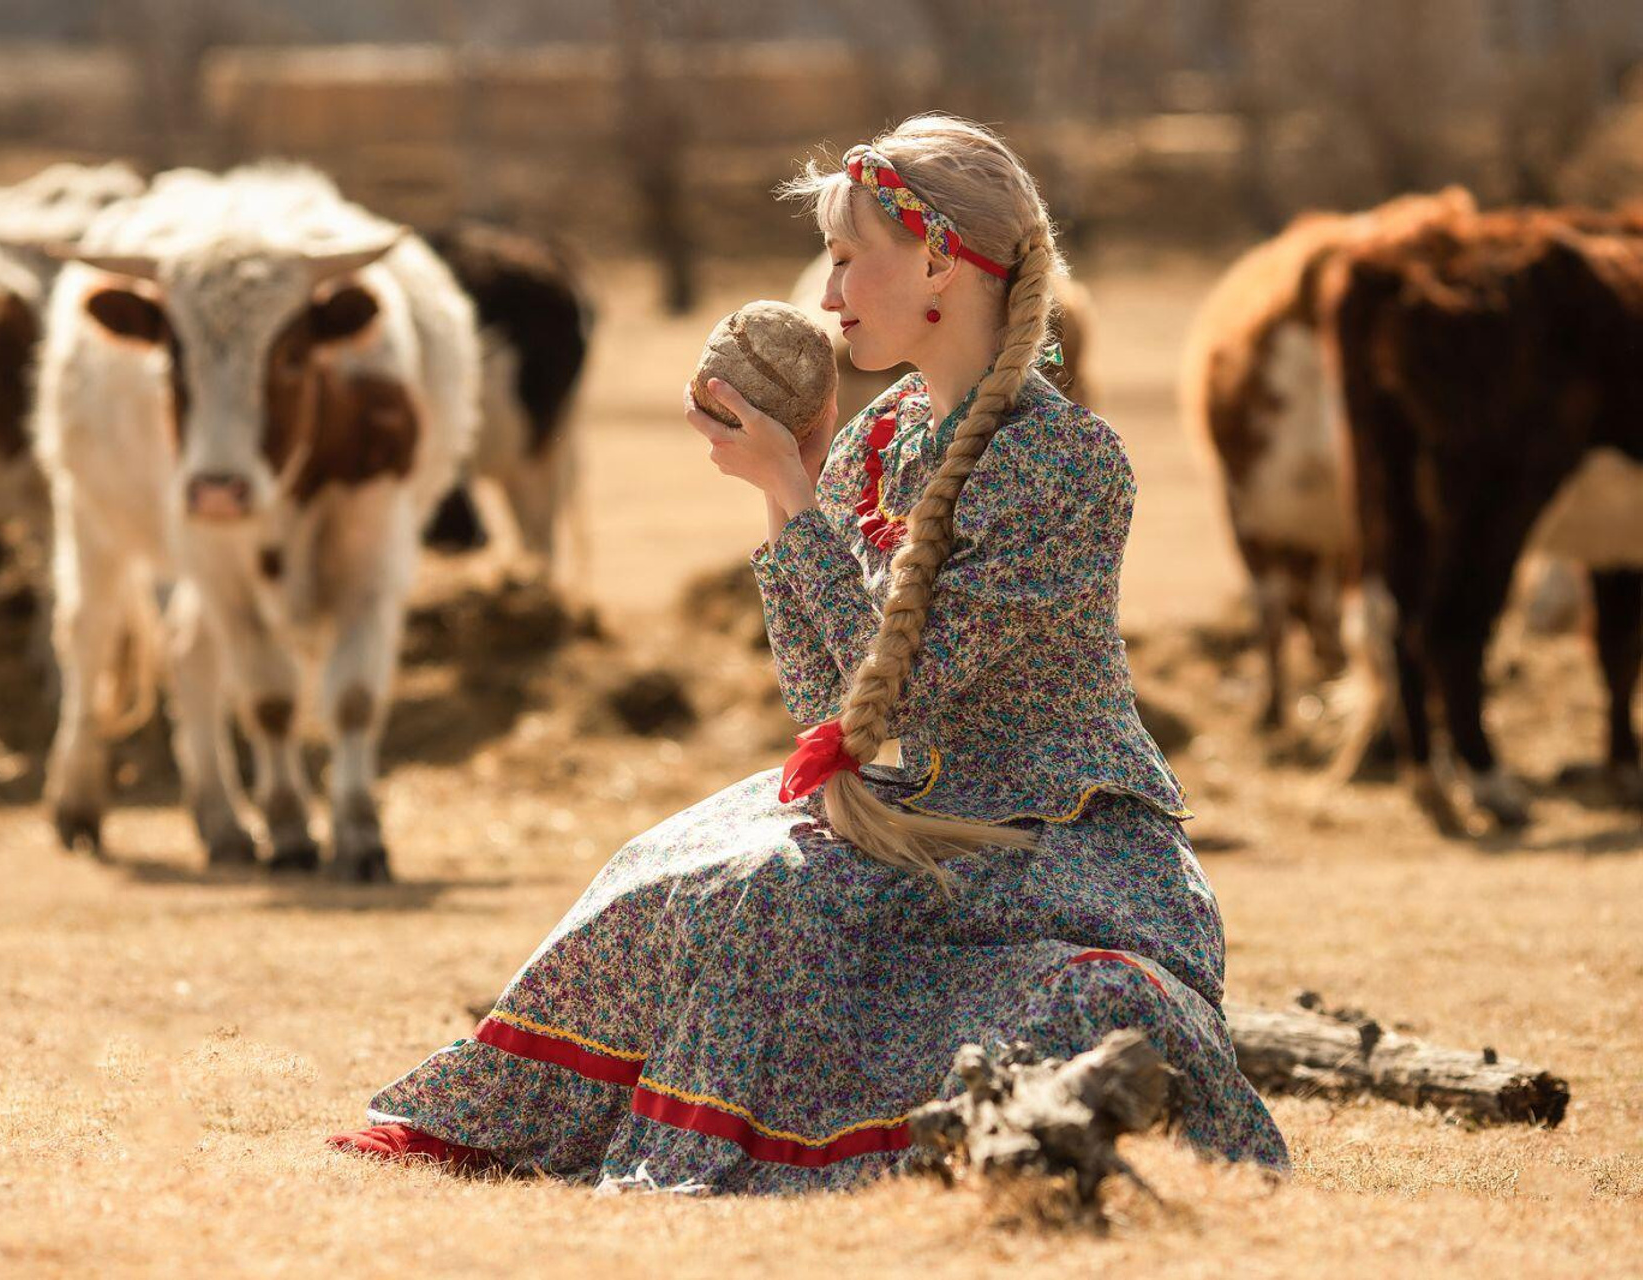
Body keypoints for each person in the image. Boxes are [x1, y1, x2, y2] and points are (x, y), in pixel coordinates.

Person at [328, 114, 1289, 1192]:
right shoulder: (879, 441)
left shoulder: (1069, 461)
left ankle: (761, 1149)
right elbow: (821, 696)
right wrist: (790, 496)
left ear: (939, 262)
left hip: (1056, 841)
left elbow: (905, 693)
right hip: (911, 812)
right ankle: (501, 1125)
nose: (826, 297)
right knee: (666, 868)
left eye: (843, 259)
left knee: (777, 897)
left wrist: (790, 490)